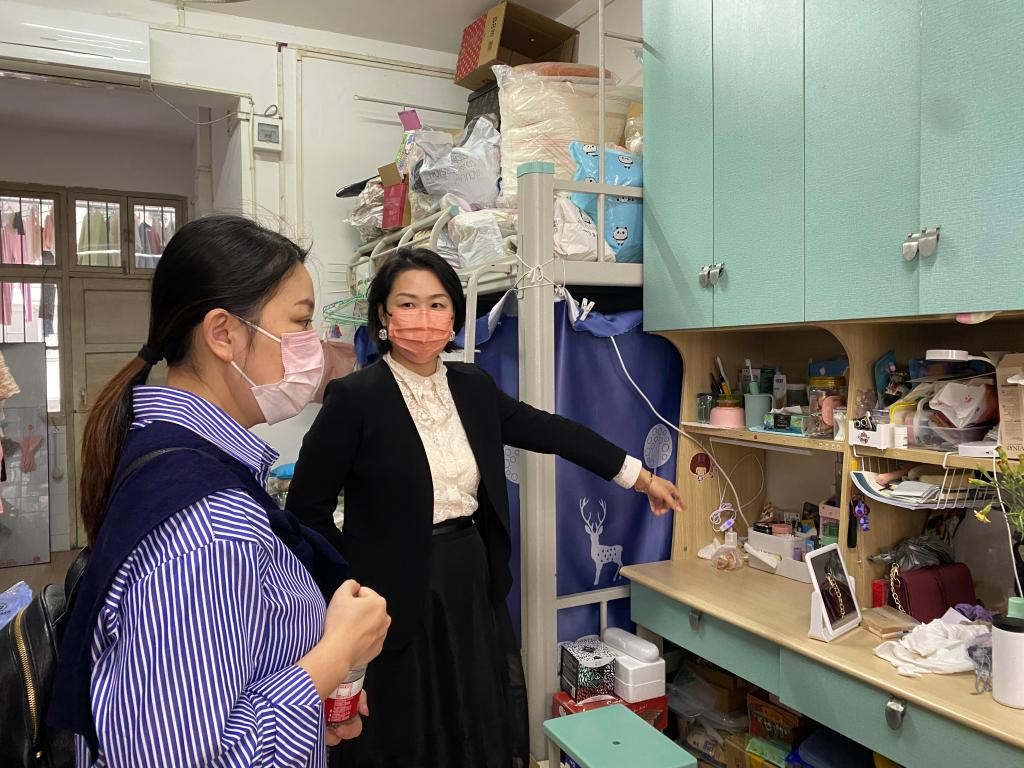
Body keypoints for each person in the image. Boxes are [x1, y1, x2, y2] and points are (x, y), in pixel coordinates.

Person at [286, 248, 685, 768]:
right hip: (388, 589)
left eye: (437, 304)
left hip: (468, 573)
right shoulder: (355, 397)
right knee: (407, 722)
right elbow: (305, 511)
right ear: (383, 315)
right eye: (407, 304)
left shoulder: (472, 385)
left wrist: (642, 477)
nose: (423, 319)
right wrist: (349, 583)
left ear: (454, 315)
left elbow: (553, 431)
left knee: (473, 710)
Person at [48, 215, 391, 768]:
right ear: (224, 334)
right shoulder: (211, 529)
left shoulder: (171, 452)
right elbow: (179, 755)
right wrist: (335, 655)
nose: (314, 346)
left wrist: (308, 712)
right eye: (300, 322)